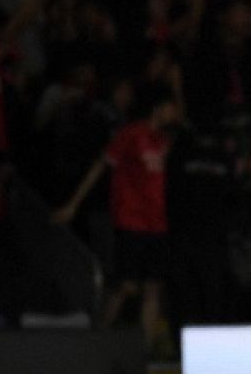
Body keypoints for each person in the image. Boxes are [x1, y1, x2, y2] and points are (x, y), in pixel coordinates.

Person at [53, 89, 180, 354]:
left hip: (157, 224)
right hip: (130, 221)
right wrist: (73, 205)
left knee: (153, 288)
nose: (175, 114)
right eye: (171, 108)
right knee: (126, 287)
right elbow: (100, 166)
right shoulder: (131, 135)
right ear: (158, 108)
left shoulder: (167, 141)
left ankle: (142, 353)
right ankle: (96, 339)